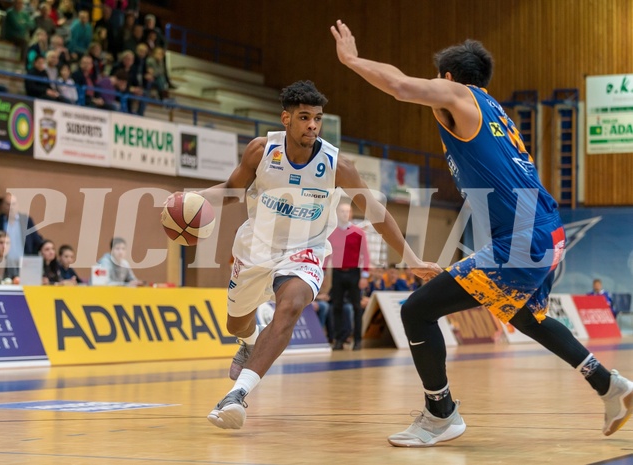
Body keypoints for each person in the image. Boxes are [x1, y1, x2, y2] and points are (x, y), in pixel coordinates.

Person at [331, 19, 633, 446]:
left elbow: (400, 86)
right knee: (525, 315)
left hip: (523, 237)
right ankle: (608, 384)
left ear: (449, 79)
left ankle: (441, 414)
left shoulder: (459, 95)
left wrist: (352, 59)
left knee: (416, 311)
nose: (431, 88)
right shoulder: (494, 111)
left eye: (436, 80)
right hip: (544, 228)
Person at [175, 80, 438, 430]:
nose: (313, 125)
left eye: (317, 118)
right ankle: (249, 341)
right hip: (255, 248)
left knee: (291, 305)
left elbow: (376, 212)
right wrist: (193, 197)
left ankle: (236, 395)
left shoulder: (336, 165)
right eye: (304, 117)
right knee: (236, 323)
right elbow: (231, 189)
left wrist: (412, 258)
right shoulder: (260, 151)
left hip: (306, 250)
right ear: (286, 118)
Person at [327, 200, 370, 350]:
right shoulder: (332, 233)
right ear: (337, 214)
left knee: (357, 307)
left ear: (351, 214)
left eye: (348, 211)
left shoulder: (358, 233)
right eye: (342, 211)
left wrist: (365, 275)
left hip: (354, 273)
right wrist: (323, 270)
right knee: (336, 306)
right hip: (338, 273)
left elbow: (365, 254)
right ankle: (338, 339)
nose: (345, 214)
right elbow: (327, 254)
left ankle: (357, 340)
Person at [0, 193, 44, 266]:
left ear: (17, 205)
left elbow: (36, 241)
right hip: (5, 264)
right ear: (3, 206)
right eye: (8, 204)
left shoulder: (26, 221)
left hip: (25, 263)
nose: (11, 207)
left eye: (13, 204)